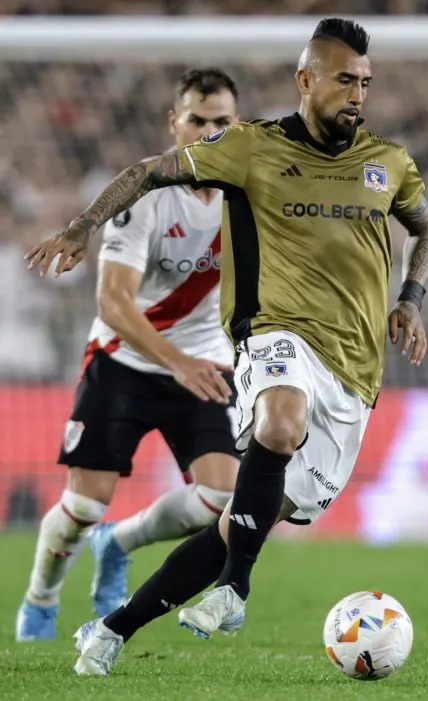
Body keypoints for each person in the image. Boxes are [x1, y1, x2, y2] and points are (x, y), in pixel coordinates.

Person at [27, 17, 428, 676]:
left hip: (353, 371)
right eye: (343, 79)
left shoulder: (388, 162)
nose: (357, 93)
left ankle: (113, 626)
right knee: (278, 419)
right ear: (306, 80)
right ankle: (236, 587)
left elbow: (424, 228)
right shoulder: (250, 147)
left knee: (240, 522)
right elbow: (148, 171)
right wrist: (82, 227)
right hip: (272, 333)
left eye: (365, 82)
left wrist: (411, 299)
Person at [15, 68, 242, 642]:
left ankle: (119, 544)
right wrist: (179, 361)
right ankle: (41, 597)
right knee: (84, 505)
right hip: (124, 362)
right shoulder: (144, 199)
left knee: (223, 497)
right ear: (175, 122)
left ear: (236, 125)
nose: (210, 131)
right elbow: (114, 303)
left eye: (221, 121)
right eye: (197, 119)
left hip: (203, 363)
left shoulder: (248, 195)